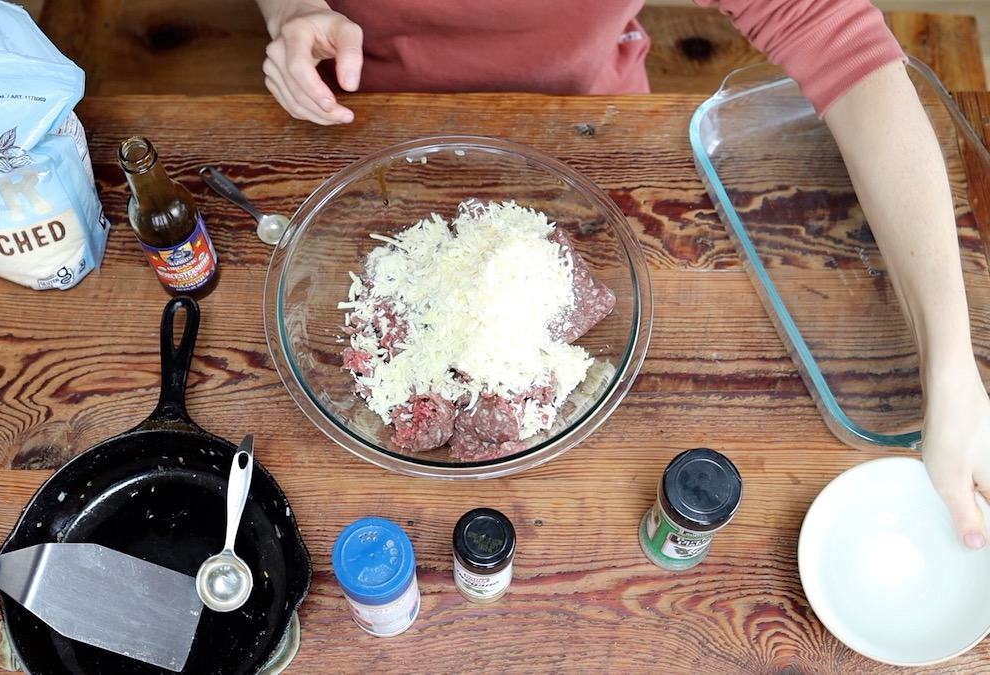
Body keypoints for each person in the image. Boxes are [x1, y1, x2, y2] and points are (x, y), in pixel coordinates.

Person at [254, 0, 990, 549]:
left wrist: (953, 367)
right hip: (355, 117)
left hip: (598, 123)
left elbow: (840, 39)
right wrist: (291, 11)